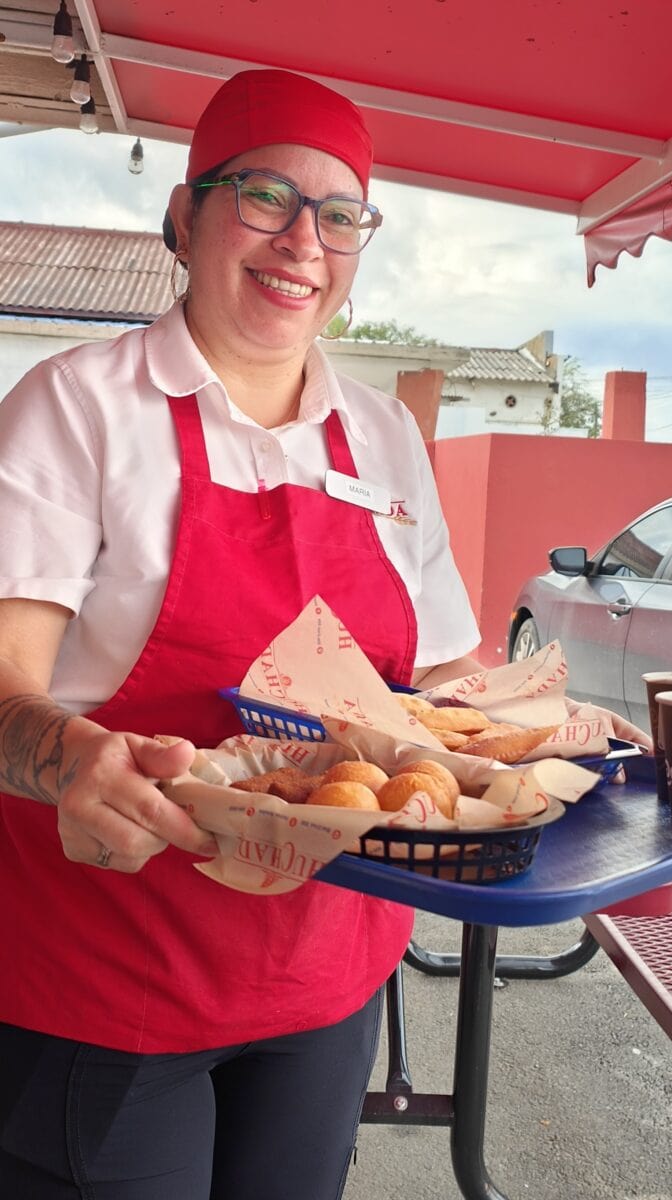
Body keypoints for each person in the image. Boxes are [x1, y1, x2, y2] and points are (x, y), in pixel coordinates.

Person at [0, 69, 482, 1200]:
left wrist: (553, 737)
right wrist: (70, 756)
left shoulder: (383, 439)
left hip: (327, 978)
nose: (301, 241)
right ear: (185, 215)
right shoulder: (73, 407)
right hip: (108, 982)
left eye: (340, 213)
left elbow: (446, 682)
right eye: (264, 194)